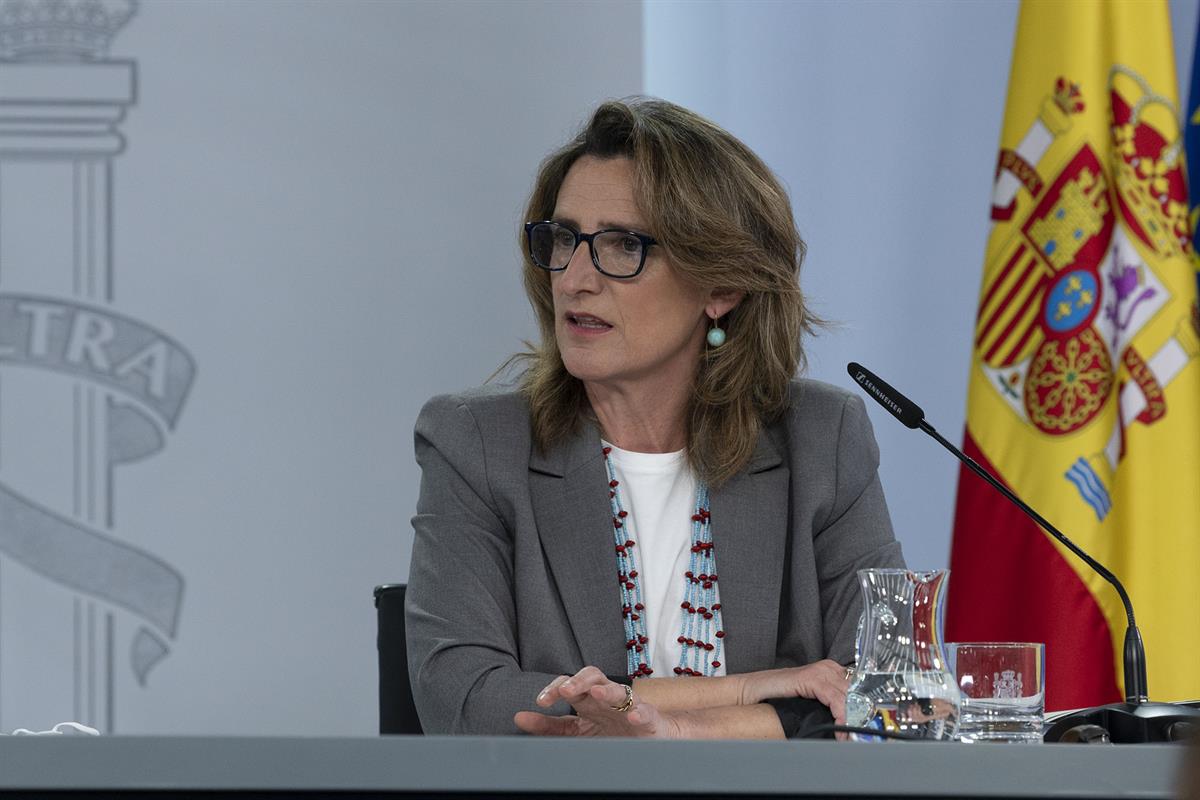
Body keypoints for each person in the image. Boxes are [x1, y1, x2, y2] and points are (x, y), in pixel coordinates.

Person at [405, 97, 905, 738]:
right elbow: (466, 701)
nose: (575, 279)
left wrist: (674, 734)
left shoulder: (821, 439)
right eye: (564, 239)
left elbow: (891, 694)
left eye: (623, 245)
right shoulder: (474, 442)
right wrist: (758, 690)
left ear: (721, 287)